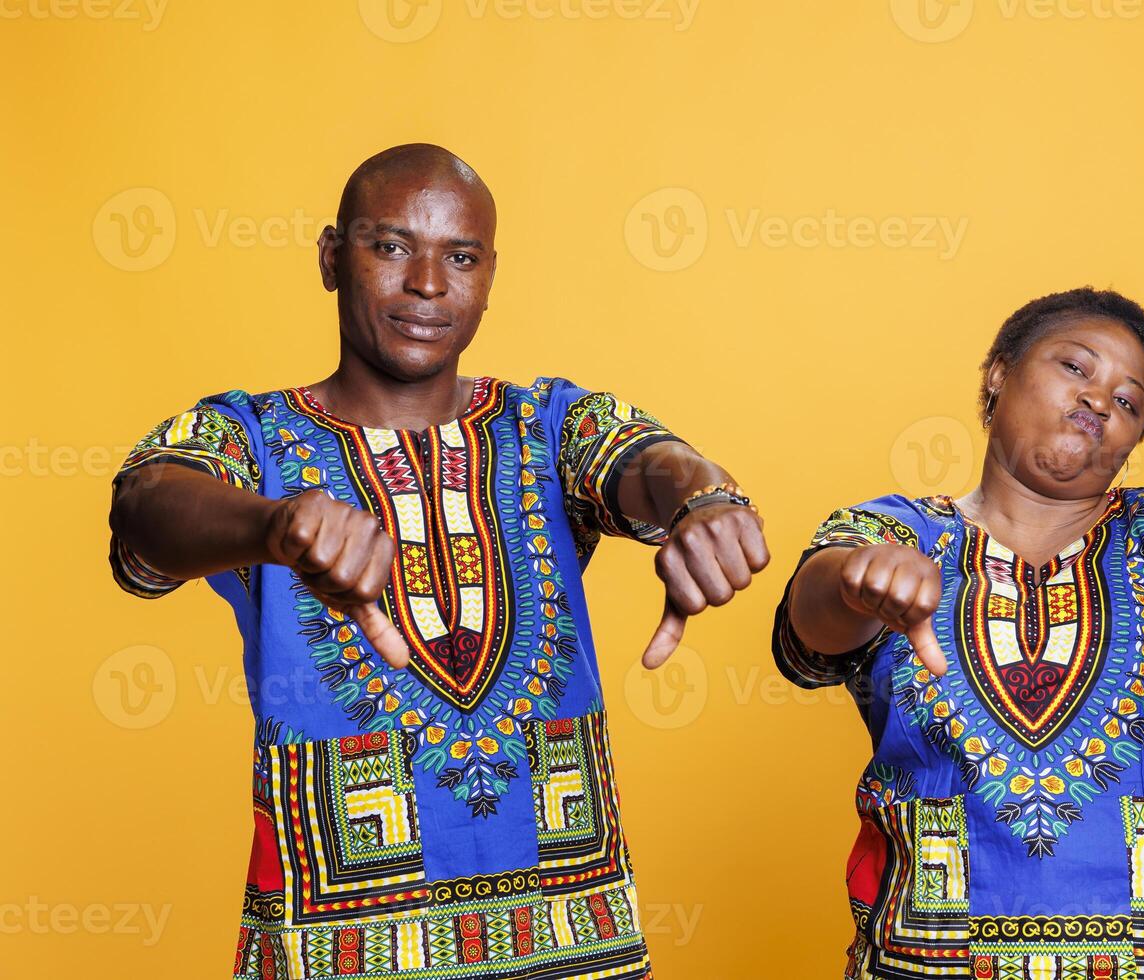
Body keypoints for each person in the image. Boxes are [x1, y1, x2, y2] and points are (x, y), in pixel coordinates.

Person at [108, 143, 768, 980]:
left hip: (575, 946)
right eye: (390, 247)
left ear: (490, 277)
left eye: (460, 257)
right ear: (329, 258)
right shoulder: (252, 438)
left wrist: (702, 497)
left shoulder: (545, 425)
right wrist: (277, 525)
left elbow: (643, 459)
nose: (428, 283)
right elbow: (145, 511)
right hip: (335, 953)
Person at [772, 287, 1144, 980]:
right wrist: (856, 579)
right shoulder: (897, 531)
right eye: (1076, 368)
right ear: (998, 373)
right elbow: (812, 624)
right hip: (930, 959)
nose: (1099, 401)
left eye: (1128, 403)